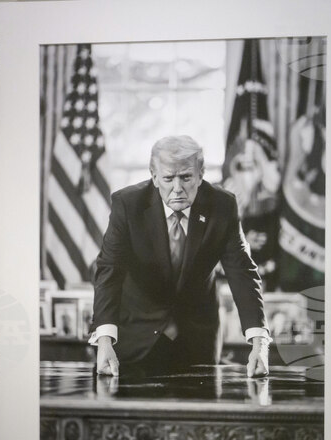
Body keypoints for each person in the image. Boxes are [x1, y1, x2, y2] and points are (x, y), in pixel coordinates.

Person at [90, 135, 271, 377]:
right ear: (154, 176)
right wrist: (104, 340)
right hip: (135, 337)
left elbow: (243, 273)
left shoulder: (222, 205)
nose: (177, 188)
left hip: (197, 340)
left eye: (186, 177)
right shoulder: (128, 204)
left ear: (201, 174)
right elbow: (108, 271)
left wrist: (260, 343)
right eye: (168, 178)